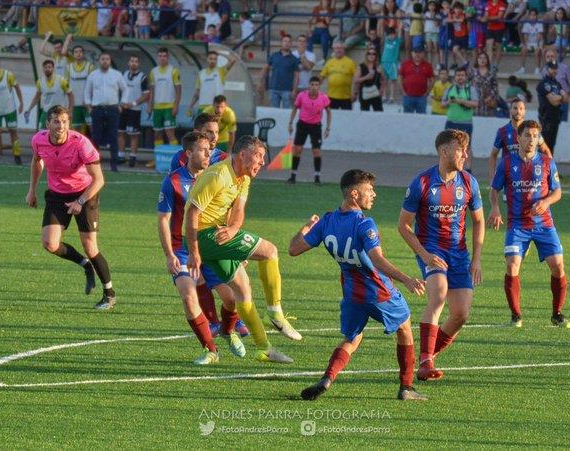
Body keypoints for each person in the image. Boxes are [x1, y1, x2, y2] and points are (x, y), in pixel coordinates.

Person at [289, 169, 427, 401]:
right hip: (377, 290)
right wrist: (407, 280)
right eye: (369, 190)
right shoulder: (365, 224)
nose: (374, 194)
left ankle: (327, 378)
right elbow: (377, 260)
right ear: (354, 194)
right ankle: (406, 387)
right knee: (405, 326)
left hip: (352, 293)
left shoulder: (327, 221)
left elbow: (293, 249)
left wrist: (305, 228)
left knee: (353, 338)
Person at [184, 136, 301, 364]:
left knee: (242, 291)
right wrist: (193, 251)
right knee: (270, 251)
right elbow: (192, 213)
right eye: (258, 156)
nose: (262, 162)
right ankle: (275, 312)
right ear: (242, 155)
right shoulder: (217, 175)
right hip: (207, 236)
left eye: (263, 158)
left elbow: (238, 210)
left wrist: (234, 228)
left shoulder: (243, 178)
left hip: (219, 235)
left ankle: (263, 349)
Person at [398, 129, 485, 381]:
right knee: (438, 296)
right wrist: (424, 255)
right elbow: (403, 225)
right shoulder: (422, 183)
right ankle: (425, 363)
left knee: (461, 313)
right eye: (461, 150)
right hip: (432, 250)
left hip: (459, 253)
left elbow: (478, 221)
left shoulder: (469, 182)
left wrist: (477, 259)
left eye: (466, 150)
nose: (465, 155)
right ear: (445, 151)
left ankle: (425, 355)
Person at [157, 131, 247, 364]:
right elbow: (163, 220)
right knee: (189, 297)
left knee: (232, 298)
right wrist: (169, 255)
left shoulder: (215, 176)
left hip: (211, 245)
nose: (210, 153)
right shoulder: (174, 181)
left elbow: (230, 212)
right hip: (183, 249)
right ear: (189, 153)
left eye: (210, 149)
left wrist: (233, 247)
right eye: (204, 150)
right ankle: (211, 350)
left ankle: (228, 330)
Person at [26, 105, 116, 310]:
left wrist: (80, 202)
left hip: (85, 193)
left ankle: (109, 293)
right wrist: (31, 190)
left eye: (65, 121)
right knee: (50, 243)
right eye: (56, 121)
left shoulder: (80, 143)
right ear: (47, 124)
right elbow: (36, 161)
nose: (61, 125)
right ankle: (85, 265)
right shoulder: (38, 140)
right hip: (57, 195)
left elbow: (99, 179)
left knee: (90, 245)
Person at [488, 120, 570, 328]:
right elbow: (494, 190)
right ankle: (516, 316)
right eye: (527, 135)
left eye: (535, 136)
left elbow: (557, 192)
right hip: (517, 225)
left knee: (558, 265)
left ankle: (557, 314)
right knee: (512, 264)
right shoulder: (506, 163)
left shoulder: (547, 162)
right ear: (519, 138)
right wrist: (495, 208)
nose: (532, 140)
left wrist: (546, 201)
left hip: (544, 224)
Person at [84, 52, 129, 173]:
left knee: (113, 137)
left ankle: (114, 166)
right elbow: (87, 91)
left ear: (110, 61)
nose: (105, 61)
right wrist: (89, 106)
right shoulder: (93, 75)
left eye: (107, 59)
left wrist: (122, 104)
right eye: (103, 59)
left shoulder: (117, 75)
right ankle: (94, 164)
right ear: (99, 61)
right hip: (97, 109)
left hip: (113, 109)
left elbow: (125, 89)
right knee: (95, 138)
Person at [489, 98, 552, 179]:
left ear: (525, 111)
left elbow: (545, 150)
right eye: (515, 108)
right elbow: (493, 155)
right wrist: (492, 179)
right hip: (509, 177)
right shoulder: (502, 132)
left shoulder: (532, 130)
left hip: (530, 175)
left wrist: (550, 171)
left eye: (521, 108)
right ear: (510, 110)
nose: (518, 111)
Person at [287, 76, 332, 185]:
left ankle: (317, 177)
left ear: (319, 86)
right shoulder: (302, 96)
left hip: (316, 127)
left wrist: (327, 128)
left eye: (316, 85)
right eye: (312, 85)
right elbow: (294, 109)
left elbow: (329, 112)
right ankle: (293, 176)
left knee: (316, 151)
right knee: (297, 150)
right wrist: (290, 123)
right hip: (302, 125)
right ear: (309, 85)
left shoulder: (323, 98)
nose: (314, 87)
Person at [441, 67, 478, 167]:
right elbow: (442, 104)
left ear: (466, 77)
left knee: (467, 146)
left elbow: (476, 103)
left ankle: (468, 168)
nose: (460, 77)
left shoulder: (471, 89)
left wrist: (462, 101)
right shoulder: (449, 89)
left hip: (465, 122)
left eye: (462, 75)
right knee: (448, 145)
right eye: (458, 75)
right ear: (455, 77)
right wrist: (449, 102)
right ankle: (448, 166)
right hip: (451, 121)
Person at [119, 55, 150, 168]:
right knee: (121, 132)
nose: (133, 63)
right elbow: (119, 89)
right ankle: (121, 156)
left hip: (134, 109)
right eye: (132, 61)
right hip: (123, 108)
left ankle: (132, 157)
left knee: (134, 134)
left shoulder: (142, 77)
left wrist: (133, 103)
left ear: (139, 64)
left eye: (136, 61)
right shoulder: (123, 75)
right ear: (128, 62)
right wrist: (121, 103)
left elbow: (146, 95)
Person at [25, 59, 74, 128]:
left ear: (53, 68)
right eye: (45, 67)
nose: (47, 69)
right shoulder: (40, 82)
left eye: (49, 67)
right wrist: (29, 109)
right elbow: (37, 97)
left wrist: (70, 110)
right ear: (43, 69)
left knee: (59, 133)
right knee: (41, 132)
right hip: (46, 111)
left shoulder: (61, 80)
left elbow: (71, 95)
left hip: (59, 112)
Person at [148, 47, 181, 148]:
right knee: (157, 134)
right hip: (157, 108)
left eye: (164, 56)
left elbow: (178, 91)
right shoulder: (153, 72)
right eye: (160, 56)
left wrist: (176, 106)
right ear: (158, 57)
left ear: (168, 57)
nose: (162, 58)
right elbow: (152, 91)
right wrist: (150, 105)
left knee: (170, 132)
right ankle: (158, 158)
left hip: (169, 107)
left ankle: (174, 158)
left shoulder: (174, 71)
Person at [188, 51, 237, 116]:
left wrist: (220, 53)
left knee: (214, 126)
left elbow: (233, 60)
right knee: (201, 126)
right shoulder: (201, 73)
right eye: (210, 58)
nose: (213, 61)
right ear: (207, 59)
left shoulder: (220, 71)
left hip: (216, 107)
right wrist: (190, 106)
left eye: (215, 59)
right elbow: (197, 93)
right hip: (202, 107)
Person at [536, 61, 568, 155]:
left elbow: (566, 98)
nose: (554, 70)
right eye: (552, 68)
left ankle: (548, 168)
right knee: (543, 145)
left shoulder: (557, 84)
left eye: (555, 68)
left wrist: (559, 98)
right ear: (547, 69)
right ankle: (539, 168)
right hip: (546, 118)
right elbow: (553, 101)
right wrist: (560, 97)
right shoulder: (543, 83)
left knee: (551, 145)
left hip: (555, 117)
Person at [260, 35, 300, 109]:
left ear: (291, 44)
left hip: (287, 90)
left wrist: (295, 90)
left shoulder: (294, 59)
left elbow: (296, 76)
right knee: (273, 112)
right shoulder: (274, 55)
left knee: (286, 113)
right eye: (285, 41)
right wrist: (261, 82)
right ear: (281, 43)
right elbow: (265, 69)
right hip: (274, 89)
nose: (287, 43)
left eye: (289, 41)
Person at [66, 43, 95, 133]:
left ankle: (95, 147)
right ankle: (78, 147)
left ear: (83, 53)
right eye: (76, 52)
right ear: (73, 54)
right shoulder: (68, 67)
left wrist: (89, 100)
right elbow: (66, 87)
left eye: (80, 52)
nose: (78, 53)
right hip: (75, 104)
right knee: (76, 130)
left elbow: (93, 86)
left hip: (87, 103)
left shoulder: (90, 67)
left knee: (92, 128)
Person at [320, 40, 357, 109]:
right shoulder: (329, 62)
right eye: (336, 48)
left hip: (346, 97)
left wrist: (354, 92)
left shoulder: (350, 62)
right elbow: (321, 77)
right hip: (331, 97)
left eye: (340, 48)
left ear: (344, 49)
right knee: (331, 118)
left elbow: (356, 78)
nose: (338, 50)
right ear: (334, 49)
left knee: (346, 119)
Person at [399, 47, 434, 114]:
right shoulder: (406, 64)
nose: (417, 54)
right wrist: (402, 91)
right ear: (412, 53)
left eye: (420, 53)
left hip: (421, 97)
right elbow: (400, 77)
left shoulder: (428, 65)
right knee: (407, 119)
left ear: (423, 54)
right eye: (415, 52)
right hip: (408, 96)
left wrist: (427, 93)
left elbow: (432, 79)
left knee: (421, 119)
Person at [541, 48, 570, 121]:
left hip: (562, 102)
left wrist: (567, 95)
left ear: (555, 57)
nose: (550, 58)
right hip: (550, 102)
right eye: (548, 57)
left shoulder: (564, 68)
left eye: (552, 56)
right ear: (545, 59)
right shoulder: (544, 70)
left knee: (563, 126)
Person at [354, 46, 385, 111]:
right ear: (366, 55)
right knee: (364, 115)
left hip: (376, 94)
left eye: (373, 54)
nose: (371, 55)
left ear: (376, 56)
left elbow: (383, 79)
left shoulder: (379, 67)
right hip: (364, 94)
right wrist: (366, 77)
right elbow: (356, 80)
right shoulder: (361, 66)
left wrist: (382, 89)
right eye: (369, 53)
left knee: (379, 115)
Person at [471, 51, 499, 117]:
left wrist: (490, 97)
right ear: (477, 60)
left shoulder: (492, 73)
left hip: (488, 102)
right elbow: (468, 85)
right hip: (475, 101)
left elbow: (495, 88)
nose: (482, 60)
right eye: (480, 58)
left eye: (484, 58)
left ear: (487, 60)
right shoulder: (472, 72)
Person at [518, 8, 544, 74]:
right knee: (523, 50)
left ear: (537, 16)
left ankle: (537, 69)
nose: (533, 17)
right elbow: (525, 35)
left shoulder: (539, 24)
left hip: (538, 42)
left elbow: (540, 35)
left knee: (537, 51)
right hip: (529, 42)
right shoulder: (526, 24)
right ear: (529, 16)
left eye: (534, 15)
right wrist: (526, 45)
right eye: (531, 15)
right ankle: (522, 68)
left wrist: (538, 45)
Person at [483, 0, 506, 70]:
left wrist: (488, 18)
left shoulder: (501, 4)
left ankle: (496, 65)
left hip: (499, 28)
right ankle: (489, 64)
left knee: (498, 47)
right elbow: (486, 15)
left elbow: (499, 16)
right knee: (489, 45)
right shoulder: (488, 3)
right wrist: (490, 18)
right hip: (490, 27)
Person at [380, 27, 401, 103]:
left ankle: (392, 97)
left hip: (392, 63)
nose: (392, 36)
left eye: (393, 34)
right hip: (384, 62)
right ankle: (384, 96)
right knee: (384, 80)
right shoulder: (386, 40)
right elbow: (384, 32)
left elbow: (399, 32)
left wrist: (398, 29)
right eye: (390, 35)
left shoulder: (397, 41)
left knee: (392, 80)